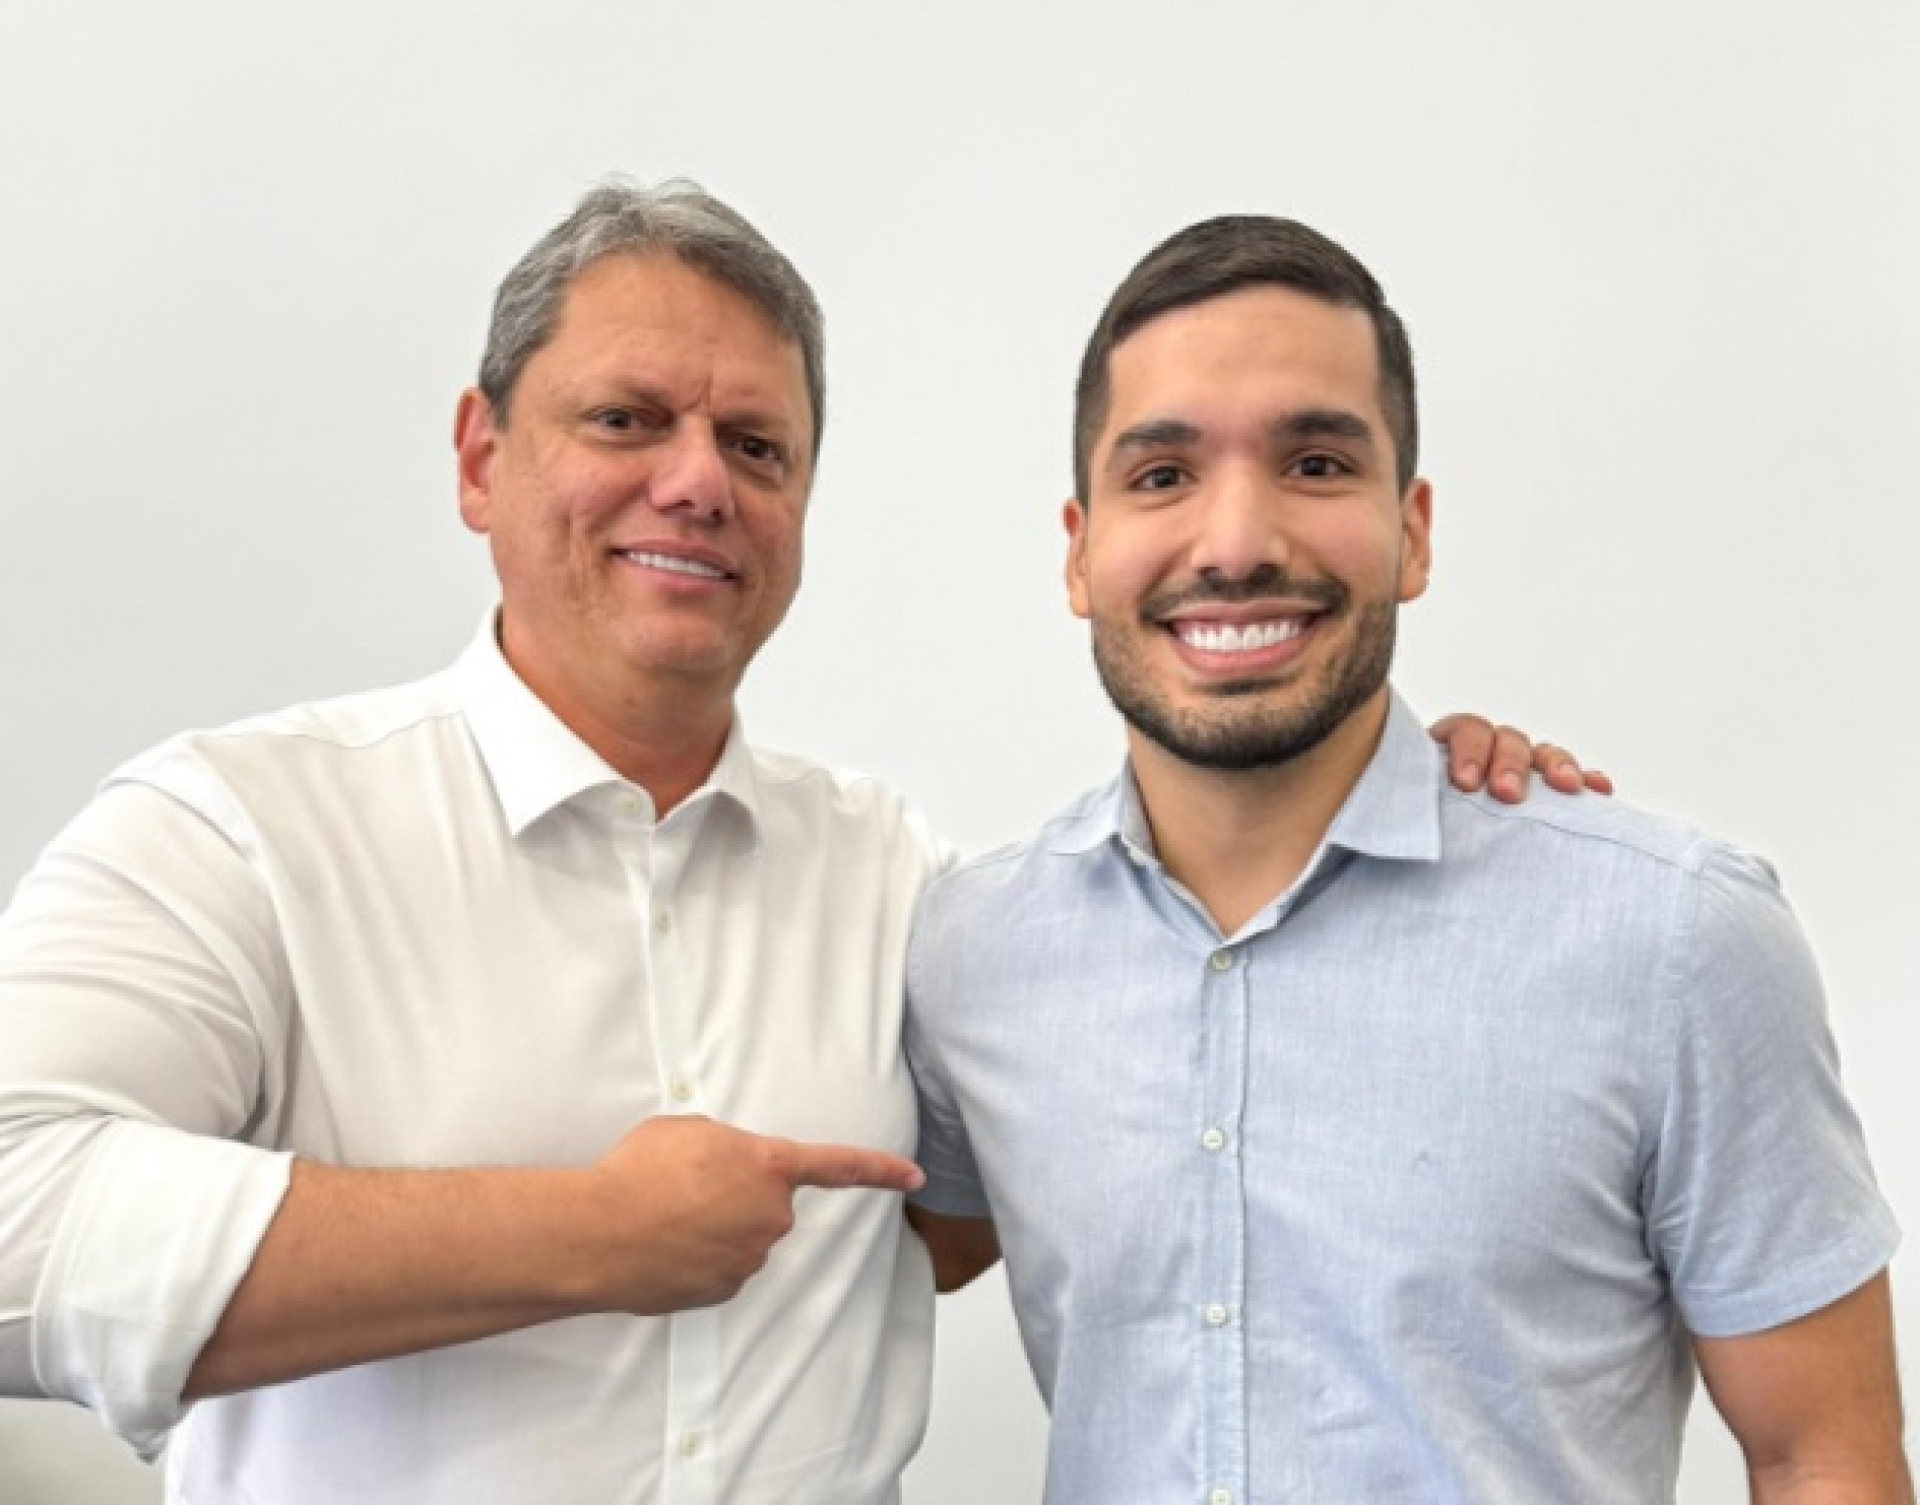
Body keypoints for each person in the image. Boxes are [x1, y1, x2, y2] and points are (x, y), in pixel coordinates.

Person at [0, 181, 1588, 1504]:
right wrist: (590, 1233)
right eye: (626, 419)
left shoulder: (907, 890)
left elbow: (1119, 1129)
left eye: (757, 447)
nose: (696, 483)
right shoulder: (238, 830)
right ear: (482, 460)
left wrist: (1385, 779)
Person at [904, 215, 1909, 1503]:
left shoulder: (1673, 939)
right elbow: (858, 1267)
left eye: (1316, 462)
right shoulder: (972, 954)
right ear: (1079, 550)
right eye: (1161, 476)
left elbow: (1821, 1457)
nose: (1234, 542)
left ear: (1413, 531)